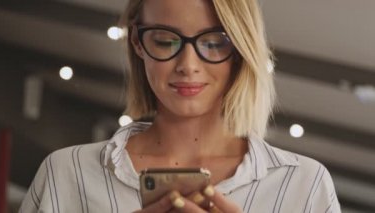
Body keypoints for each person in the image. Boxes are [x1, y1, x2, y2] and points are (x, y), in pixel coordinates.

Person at [20, 0, 341, 212]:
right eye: (165, 40)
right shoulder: (67, 173)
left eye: (214, 43)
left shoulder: (304, 185)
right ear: (137, 42)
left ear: (242, 48)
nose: (188, 65)